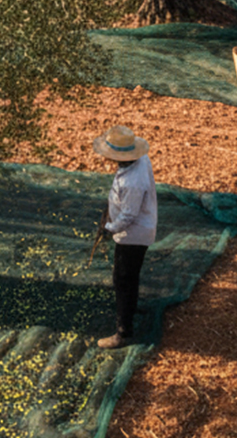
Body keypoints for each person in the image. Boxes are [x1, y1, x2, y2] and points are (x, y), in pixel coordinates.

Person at [92, 125, 156, 350]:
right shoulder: (142, 160)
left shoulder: (131, 183)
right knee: (130, 275)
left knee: (122, 279)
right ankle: (131, 307)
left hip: (132, 236)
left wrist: (109, 228)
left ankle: (123, 332)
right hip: (141, 229)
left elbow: (129, 215)